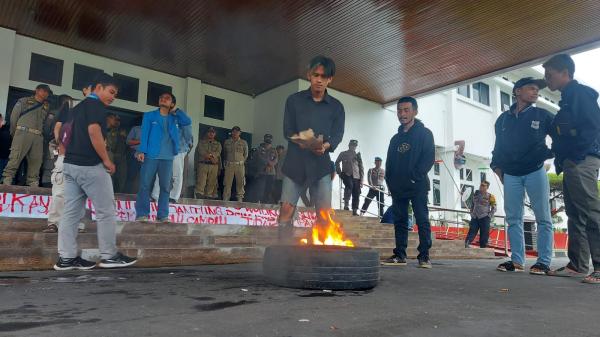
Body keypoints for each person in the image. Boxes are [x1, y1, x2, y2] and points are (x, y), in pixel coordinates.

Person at [55, 73, 137, 270]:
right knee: (106, 211)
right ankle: (109, 255)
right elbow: (94, 132)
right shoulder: (96, 106)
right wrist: (107, 160)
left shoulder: (77, 107)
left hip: (70, 165)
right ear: (98, 87)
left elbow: (63, 134)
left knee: (71, 213)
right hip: (90, 166)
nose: (112, 97)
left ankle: (66, 258)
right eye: (111, 92)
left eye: (115, 95)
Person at [543, 54, 600, 284]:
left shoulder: (579, 94)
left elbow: (593, 127)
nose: (547, 80)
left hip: (582, 160)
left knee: (591, 212)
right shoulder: (567, 98)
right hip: (572, 162)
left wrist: (576, 156)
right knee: (575, 214)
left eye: (550, 75)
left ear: (565, 73)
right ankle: (577, 265)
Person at [277, 55, 345, 243]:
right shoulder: (294, 100)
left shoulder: (337, 107)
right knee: (286, 209)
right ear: (309, 75)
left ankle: (323, 253)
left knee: (324, 214)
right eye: (316, 75)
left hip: (321, 165)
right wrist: (307, 141)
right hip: (295, 163)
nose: (319, 80)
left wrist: (325, 145)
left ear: (330, 79)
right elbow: (288, 131)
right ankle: (282, 252)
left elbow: (338, 135)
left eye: (324, 76)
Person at [491, 77, 554, 274]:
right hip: (511, 175)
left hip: (535, 170)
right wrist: (498, 168)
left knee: (543, 218)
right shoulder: (502, 120)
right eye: (531, 88)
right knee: (513, 218)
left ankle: (543, 262)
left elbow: (561, 137)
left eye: (537, 89)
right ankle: (517, 261)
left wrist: (549, 156)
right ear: (518, 91)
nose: (536, 92)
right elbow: (498, 148)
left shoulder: (542, 115)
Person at [382, 96, 435, 268]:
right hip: (398, 187)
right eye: (399, 110)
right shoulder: (394, 139)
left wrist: (414, 176)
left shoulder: (424, 133)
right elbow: (389, 162)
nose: (402, 114)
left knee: (422, 219)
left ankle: (424, 256)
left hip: (417, 185)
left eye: (406, 110)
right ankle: (400, 255)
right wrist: (390, 182)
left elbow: (428, 159)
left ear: (415, 111)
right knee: (400, 221)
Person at [135, 92, 192, 222]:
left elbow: (187, 121)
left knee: (165, 187)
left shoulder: (175, 118)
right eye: (161, 97)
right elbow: (144, 135)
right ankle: (142, 214)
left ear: (172, 103)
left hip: (168, 157)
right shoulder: (149, 116)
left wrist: (176, 110)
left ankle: (162, 215)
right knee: (144, 185)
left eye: (167, 98)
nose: (163, 99)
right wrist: (142, 151)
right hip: (151, 155)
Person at [2, 84, 52, 186]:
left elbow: (46, 123)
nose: (45, 93)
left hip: (38, 136)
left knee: (36, 161)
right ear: (37, 90)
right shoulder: (24, 101)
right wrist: (15, 134)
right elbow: (13, 118)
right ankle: (7, 180)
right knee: (15, 157)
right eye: (43, 90)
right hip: (23, 133)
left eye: (47, 92)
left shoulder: (46, 106)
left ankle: (33, 182)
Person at [152, 108, 193, 203]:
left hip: (178, 150)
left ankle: (173, 197)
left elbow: (188, 135)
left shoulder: (181, 119)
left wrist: (178, 111)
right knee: (160, 173)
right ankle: (156, 195)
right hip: (164, 150)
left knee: (177, 174)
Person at [335, 139, 364, 215]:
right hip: (346, 174)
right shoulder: (343, 153)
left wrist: (361, 180)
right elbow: (337, 162)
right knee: (349, 186)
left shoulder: (358, 155)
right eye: (352, 145)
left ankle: (355, 209)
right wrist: (339, 172)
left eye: (354, 146)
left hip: (356, 176)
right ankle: (346, 205)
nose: (353, 147)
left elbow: (361, 168)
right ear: (349, 145)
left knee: (356, 193)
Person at [247, 134, 278, 203]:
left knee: (268, 190)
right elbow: (260, 159)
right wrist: (267, 164)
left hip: (271, 173)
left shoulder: (274, 150)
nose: (268, 139)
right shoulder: (259, 149)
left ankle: (265, 204)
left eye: (270, 138)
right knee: (260, 190)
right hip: (261, 172)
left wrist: (270, 165)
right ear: (264, 139)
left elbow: (276, 160)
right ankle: (258, 203)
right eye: (267, 138)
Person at [465, 180, 496, 248]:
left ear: (487, 187)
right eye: (481, 185)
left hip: (485, 217)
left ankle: (483, 248)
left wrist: (489, 216)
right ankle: (467, 244)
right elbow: (472, 205)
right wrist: (471, 213)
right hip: (475, 217)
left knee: (484, 234)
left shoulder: (491, 196)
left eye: (483, 185)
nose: (481, 186)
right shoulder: (475, 194)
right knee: (472, 231)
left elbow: (494, 207)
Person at [222, 126, 248, 202]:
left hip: (240, 165)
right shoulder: (227, 142)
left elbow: (246, 154)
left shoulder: (244, 142)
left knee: (240, 183)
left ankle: (240, 199)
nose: (235, 133)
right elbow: (224, 153)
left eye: (237, 131)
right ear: (231, 132)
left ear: (240, 133)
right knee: (227, 183)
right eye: (234, 131)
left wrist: (241, 161)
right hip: (229, 165)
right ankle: (226, 199)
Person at [194, 127, 222, 199]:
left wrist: (211, 156)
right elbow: (201, 150)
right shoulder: (201, 142)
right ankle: (198, 200)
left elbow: (218, 152)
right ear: (207, 133)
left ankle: (208, 199)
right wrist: (211, 157)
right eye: (209, 132)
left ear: (215, 134)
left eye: (213, 132)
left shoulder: (218, 144)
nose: (211, 134)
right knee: (201, 183)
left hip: (213, 166)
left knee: (211, 184)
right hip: (203, 164)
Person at [106, 113, 128, 193]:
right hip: (109, 154)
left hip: (121, 156)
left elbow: (126, 143)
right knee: (109, 175)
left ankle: (119, 193)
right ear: (108, 118)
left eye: (119, 120)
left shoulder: (122, 131)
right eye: (115, 119)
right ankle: (109, 193)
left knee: (122, 176)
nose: (117, 122)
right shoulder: (104, 129)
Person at [126, 117, 143, 194]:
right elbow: (128, 142)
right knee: (131, 176)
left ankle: (141, 196)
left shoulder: (153, 131)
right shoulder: (136, 129)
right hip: (134, 154)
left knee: (144, 178)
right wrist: (141, 141)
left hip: (147, 156)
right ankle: (126, 194)